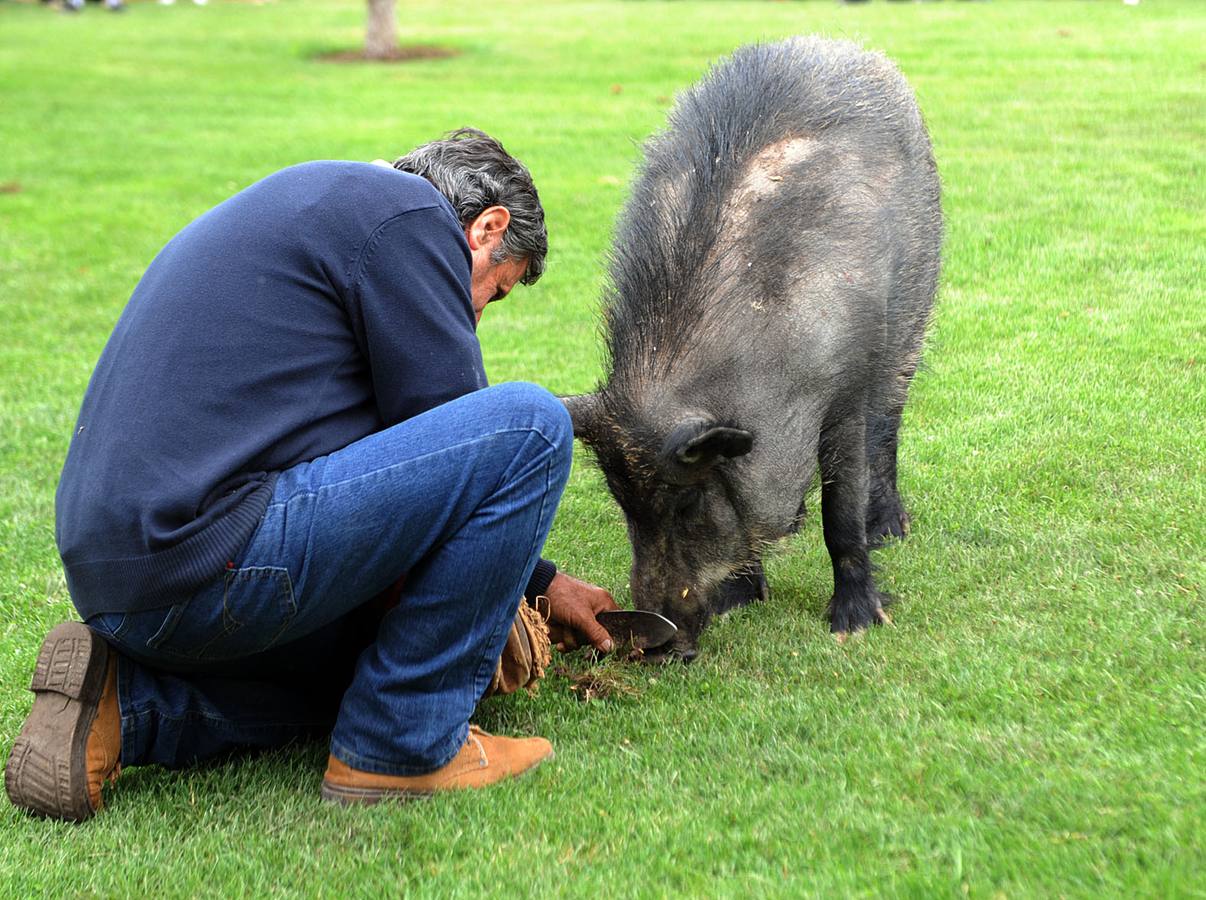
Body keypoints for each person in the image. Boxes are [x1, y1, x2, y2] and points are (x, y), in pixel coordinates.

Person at [5, 128, 619, 821]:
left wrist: (534, 585)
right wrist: (523, 587)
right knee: (530, 427)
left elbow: (400, 458)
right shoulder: (409, 216)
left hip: (124, 585)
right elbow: (466, 435)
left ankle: (128, 708)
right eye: (494, 293)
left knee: (377, 661)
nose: (475, 315)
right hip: (209, 556)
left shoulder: (329, 210)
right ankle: (402, 746)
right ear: (487, 228)